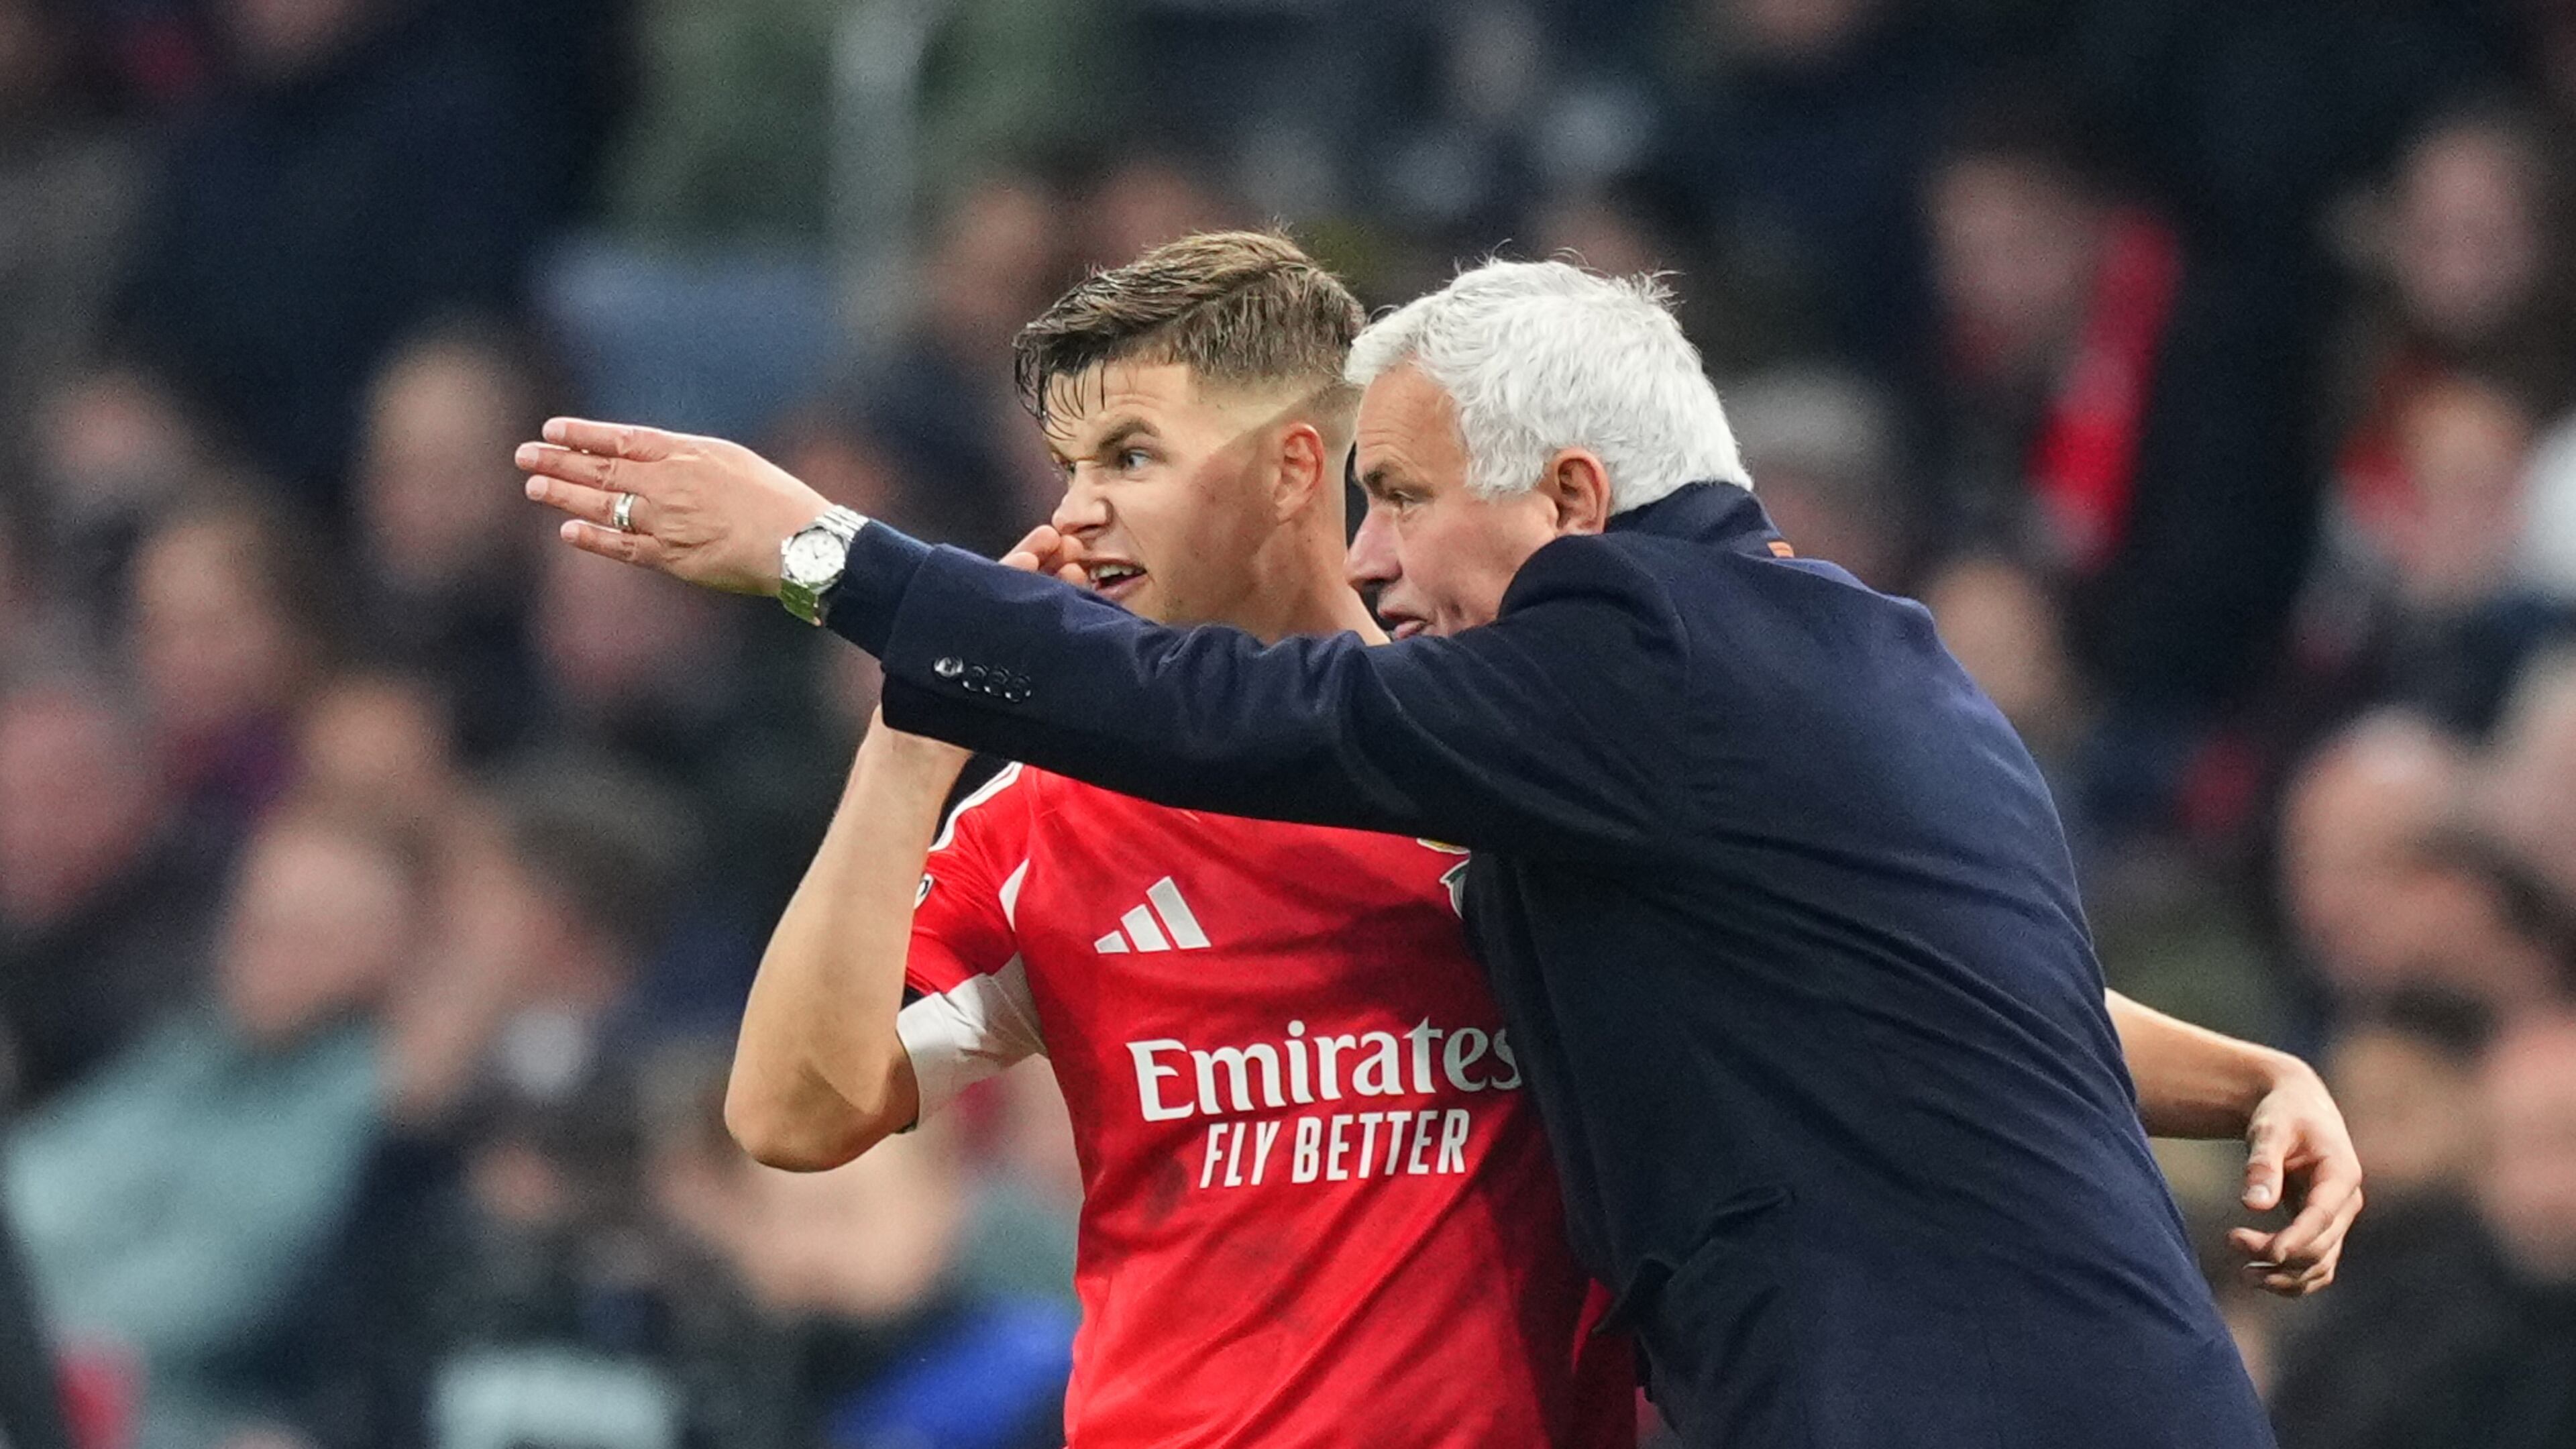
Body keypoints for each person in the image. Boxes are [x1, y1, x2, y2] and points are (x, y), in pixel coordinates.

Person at [519, 252, 2360, 1448]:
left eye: (1132, 457)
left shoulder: (1554, 727)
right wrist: (2253, 1070)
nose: (1072, 517)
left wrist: (829, 559)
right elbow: (1951, 1002)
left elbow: (1230, 714)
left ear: (1293, 475)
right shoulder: (1811, 679)